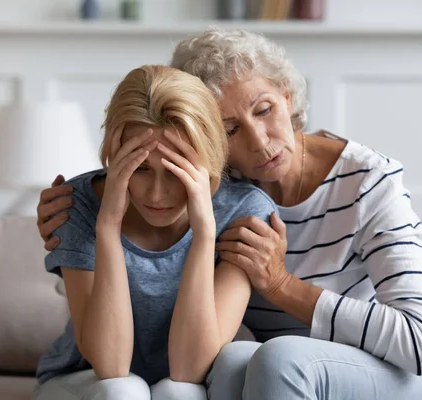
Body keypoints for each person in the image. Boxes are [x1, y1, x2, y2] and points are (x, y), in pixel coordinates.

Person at [36, 29, 422, 400]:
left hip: (406, 374)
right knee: (234, 362)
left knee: (278, 356)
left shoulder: (369, 180)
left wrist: (280, 285)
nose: (261, 141)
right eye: (229, 129)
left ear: (287, 96)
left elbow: (419, 345)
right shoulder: (216, 191)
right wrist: (84, 210)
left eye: (265, 110)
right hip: (280, 374)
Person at [33, 64, 277, 400]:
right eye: (141, 168)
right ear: (114, 155)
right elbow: (111, 366)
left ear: (209, 157)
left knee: (181, 394)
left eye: (176, 171)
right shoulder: (75, 205)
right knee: (124, 392)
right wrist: (107, 225)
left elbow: (190, 371)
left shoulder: (244, 211)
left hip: (188, 385)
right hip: (85, 383)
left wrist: (204, 233)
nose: (156, 195)